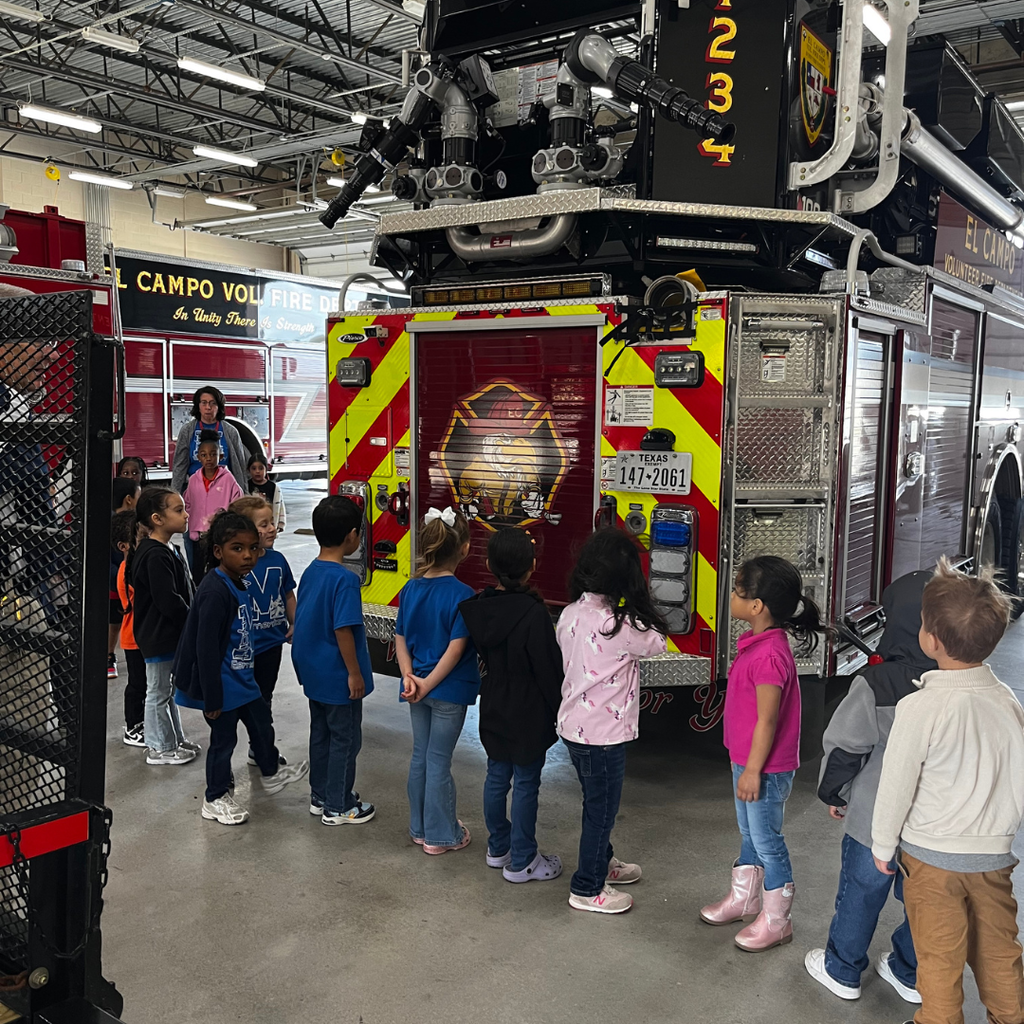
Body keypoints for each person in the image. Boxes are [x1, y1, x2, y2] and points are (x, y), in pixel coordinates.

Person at [871, 558, 1024, 1024]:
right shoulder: (1007, 702)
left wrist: (882, 845)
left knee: (939, 959)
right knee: (999, 951)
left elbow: (896, 783)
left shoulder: (920, 706)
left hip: (931, 860)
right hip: (993, 859)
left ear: (930, 639)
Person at [805, 572, 932, 1003]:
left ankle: (842, 969)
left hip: (873, 820)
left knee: (860, 893)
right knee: (925, 900)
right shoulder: (959, 685)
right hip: (933, 826)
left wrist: (833, 793)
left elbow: (846, 746)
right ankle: (909, 973)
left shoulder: (876, 683)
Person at [700, 555, 825, 949]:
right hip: (746, 760)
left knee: (767, 839)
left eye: (737, 591)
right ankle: (745, 898)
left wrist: (753, 770)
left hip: (765, 769)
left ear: (756, 607)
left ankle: (777, 920)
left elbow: (768, 721)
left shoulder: (770, 656)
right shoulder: (757, 643)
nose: (732, 597)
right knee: (750, 833)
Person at [556, 529, 667, 915]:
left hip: (574, 730)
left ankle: (604, 864)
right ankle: (587, 887)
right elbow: (659, 642)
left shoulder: (570, 614)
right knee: (601, 811)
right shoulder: (621, 625)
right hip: (604, 738)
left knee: (595, 803)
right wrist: (638, 602)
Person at [173, 511, 309, 826]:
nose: (248, 555)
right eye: (237, 548)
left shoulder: (239, 582)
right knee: (224, 742)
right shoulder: (215, 591)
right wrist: (212, 699)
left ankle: (271, 769)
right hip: (221, 683)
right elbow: (205, 649)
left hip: (241, 677)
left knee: (262, 722)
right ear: (218, 551)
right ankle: (215, 797)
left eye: (253, 548)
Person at [459, 529, 564, 883]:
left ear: (488, 565)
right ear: (531, 568)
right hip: (528, 711)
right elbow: (548, 670)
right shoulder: (534, 614)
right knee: (526, 783)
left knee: (496, 776)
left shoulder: (479, 609)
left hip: (493, 705)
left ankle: (497, 847)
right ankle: (522, 861)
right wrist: (559, 711)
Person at [395, 507, 480, 855]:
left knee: (420, 755)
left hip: (414, 687)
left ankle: (419, 828)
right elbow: (456, 650)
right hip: (447, 690)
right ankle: (442, 836)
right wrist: (429, 683)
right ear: (464, 549)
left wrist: (409, 677)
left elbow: (399, 637)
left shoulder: (411, 588)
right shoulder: (463, 594)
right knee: (438, 760)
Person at [291, 495, 375, 825]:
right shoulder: (345, 579)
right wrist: (354, 674)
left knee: (321, 734)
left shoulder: (312, 571)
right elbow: (343, 629)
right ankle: (339, 806)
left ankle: (321, 794)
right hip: (338, 676)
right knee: (346, 738)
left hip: (314, 673)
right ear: (352, 536)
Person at [128, 487, 198, 766]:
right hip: (158, 636)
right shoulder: (154, 554)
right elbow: (168, 600)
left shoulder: (170, 549)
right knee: (157, 692)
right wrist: (192, 621)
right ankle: (159, 747)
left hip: (170, 636)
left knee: (167, 690)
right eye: (178, 510)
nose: (185, 515)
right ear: (157, 518)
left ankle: (174, 740)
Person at [228, 495, 295, 760]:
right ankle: (226, 753)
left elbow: (288, 594)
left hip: (270, 644)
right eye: (264, 524)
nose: (272, 529)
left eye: (272, 523)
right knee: (236, 701)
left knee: (264, 696)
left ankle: (260, 748)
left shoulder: (278, 560)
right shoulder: (236, 564)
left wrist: (295, 622)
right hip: (241, 647)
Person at [171, 385, 248, 571]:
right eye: (204, 403)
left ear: (219, 407)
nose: (208, 408)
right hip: (194, 494)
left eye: (212, 404)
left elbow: (238, 466)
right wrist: (173, 497)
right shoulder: (188, 431)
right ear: (197, 406)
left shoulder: (230, 431)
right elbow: (180, 465)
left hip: (220, 495)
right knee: (193, 547)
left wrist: (244, 500)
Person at [183, 430, 243, 578]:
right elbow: (188, 505)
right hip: (198, 536)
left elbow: (237, 504)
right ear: (198, 457)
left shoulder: (228, 479)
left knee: (217, 570)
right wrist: (192, 529)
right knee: (196, 571)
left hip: (219, 535)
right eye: (204, 455)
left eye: (213, 454)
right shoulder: (193, 480)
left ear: (221, 456)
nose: (208, 458)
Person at [113, 510, 148, 747]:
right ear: (123, 545)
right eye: (140, 538)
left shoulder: (137, 565)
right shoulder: (127, 570)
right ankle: (133, 727)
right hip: (134, 637)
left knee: (147, 684)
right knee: (137, 684)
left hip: (143, 635)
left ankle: (144, 721)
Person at [108, 478, 141, 679]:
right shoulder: (110, 524)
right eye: (139, 496)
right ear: (129, 499)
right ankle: (109, 656)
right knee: (114, 621)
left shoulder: (137, 523)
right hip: (116, 584)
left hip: (130, 581)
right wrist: (119, 578)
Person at [247, 453, 286, 533]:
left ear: (266, 469)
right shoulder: (246, 486)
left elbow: (280, 505)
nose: (257, 471)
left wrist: (280, 524)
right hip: (252, 527)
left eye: (261, 468)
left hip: (270, 526)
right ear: (248, 470)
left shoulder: (273, 487)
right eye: (254, 468)